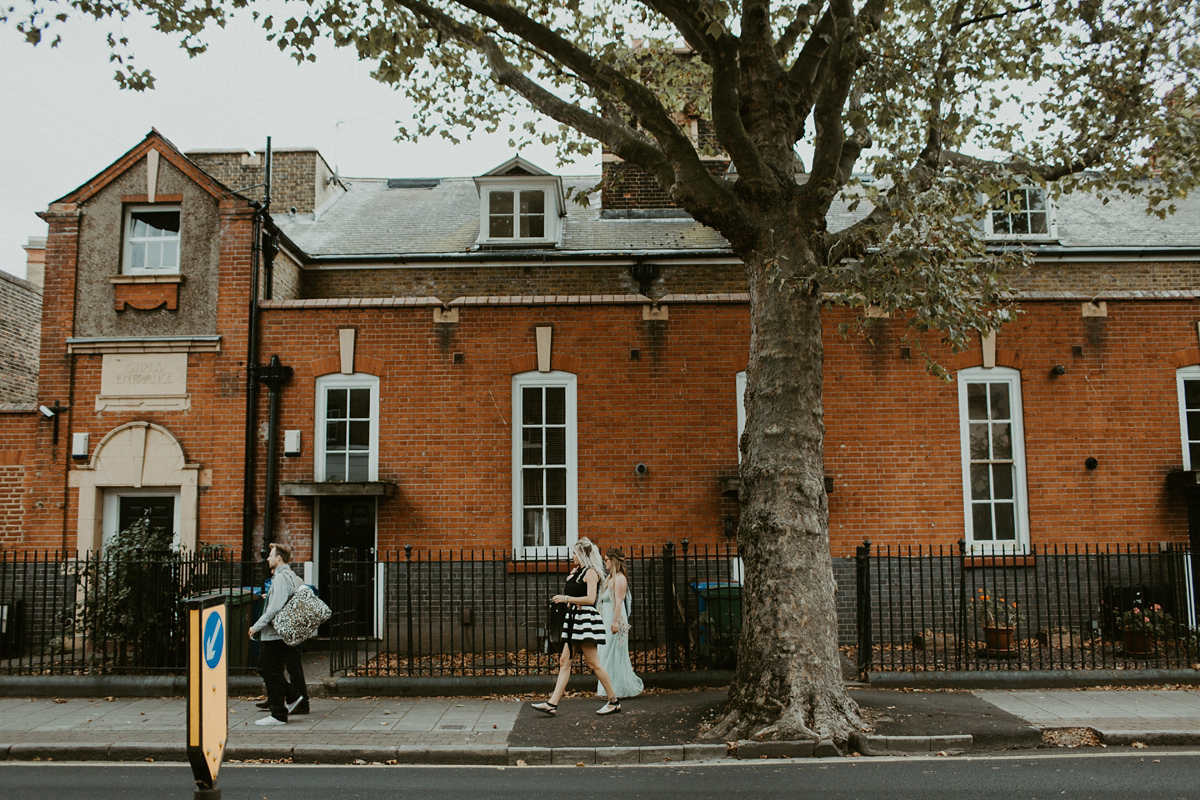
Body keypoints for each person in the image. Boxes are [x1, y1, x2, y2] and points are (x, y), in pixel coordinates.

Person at [532, 537, 622, 716]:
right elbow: (574, 593)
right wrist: (571, 580)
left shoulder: (591, 573)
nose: (572, 556)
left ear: (582, 554)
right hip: (573, 619)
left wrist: (566, 598)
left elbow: (590, 599)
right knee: (564, 661)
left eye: (575, 553)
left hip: (584, 620)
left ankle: (613, 701)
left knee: (593, 663)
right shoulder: (578, 572)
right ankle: (552, 703)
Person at [249, 542, 306, 726]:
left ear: (278, 558)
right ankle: (292, 696)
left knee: (271, 671)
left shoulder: (281, 578)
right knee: (266, 668)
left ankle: (278, 714)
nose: (268, 558)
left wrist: (257, 626)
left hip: (273, 634)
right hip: (277, 634)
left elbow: (275, 607)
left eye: (270, 555)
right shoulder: (288, 576)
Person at [595, 547, 644, 699]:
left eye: (606, 560)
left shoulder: (620, 579)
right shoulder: (610, 578)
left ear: (614, 561)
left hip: (615, 618)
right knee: (604, 653)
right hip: (606, 618)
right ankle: (609, 688)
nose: (605, 563)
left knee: (614, 653)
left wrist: (615, 622)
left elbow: (619, 602)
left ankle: (617, 689)